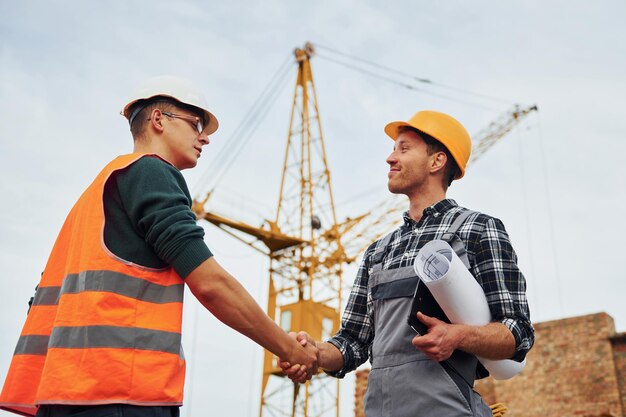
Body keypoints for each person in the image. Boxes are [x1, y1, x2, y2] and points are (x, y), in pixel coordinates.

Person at [0, 75, 317, 417]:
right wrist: (288, 348)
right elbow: (209, 283)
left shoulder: (95, 194)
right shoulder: (150, 172)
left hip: (66, 395)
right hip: (122, 392)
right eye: (196, 124)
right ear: (158, 120)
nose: (205, 138)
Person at [280, 110, 534, 416]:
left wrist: (457, 336)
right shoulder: (379, 251)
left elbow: (518, 331)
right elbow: (353, 343)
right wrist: (316, 353)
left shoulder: (477, 230)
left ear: (436, 162)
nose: (390, 158)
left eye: (404, 148)